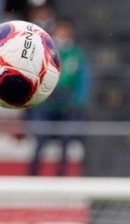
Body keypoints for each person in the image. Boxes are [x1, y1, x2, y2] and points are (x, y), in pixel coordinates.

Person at [27, 19, 90, 177]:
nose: (63, 35)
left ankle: (60, 176)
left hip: (68, 105)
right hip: (46, 104)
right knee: (39, 139)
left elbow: (83, 81)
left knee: (65, 141)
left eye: (66, 31)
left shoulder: (77, 54)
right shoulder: (44, 51)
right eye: (60, 31)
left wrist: (76, 102)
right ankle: (32, 175)